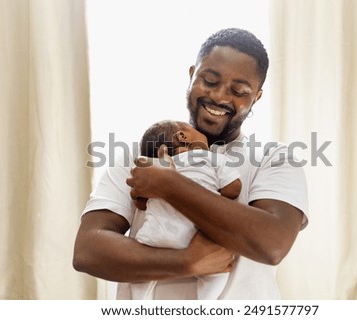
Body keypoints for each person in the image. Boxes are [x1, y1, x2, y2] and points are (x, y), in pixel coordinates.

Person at [73, 27, 308, 299]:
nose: (220, 97)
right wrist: (186, 262)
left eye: (239, 90)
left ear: (256, 97)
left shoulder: (275, 158)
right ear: (191, 76)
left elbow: (272, 245)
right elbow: (87, 251)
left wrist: (168, 185)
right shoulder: (139, 153)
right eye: (209, 80)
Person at [132, 119, 242, 299]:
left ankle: (139, 302)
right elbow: (233, 189)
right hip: (194, 237)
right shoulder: (212, 158)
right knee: (217, 273)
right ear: (183, 136)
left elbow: (141, 203)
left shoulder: (154, 168)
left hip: (154, 235)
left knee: (139, 275)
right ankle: (205, 304)